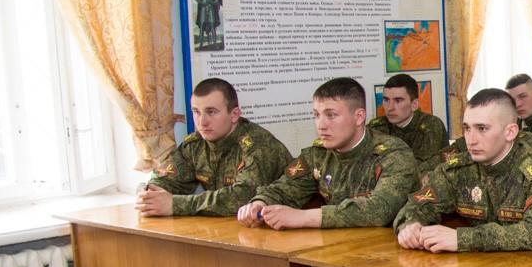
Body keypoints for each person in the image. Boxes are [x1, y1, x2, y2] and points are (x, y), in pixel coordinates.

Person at [393, 89, 532, 253]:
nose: (471, 140)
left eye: (482, 129)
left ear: (510, 132)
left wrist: (462, 239)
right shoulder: (457, 170)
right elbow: (416, 206)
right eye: (467, 128)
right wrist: (410, 225)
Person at [237, 78, 417, 229]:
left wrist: (303, 217)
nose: (321, 125)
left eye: (331, 115)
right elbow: (285, 188)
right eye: (317, 115)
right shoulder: (318, 154)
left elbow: (380, 209)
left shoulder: (393, 154)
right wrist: (260, 203)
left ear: (359, 117)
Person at [138, 78, 291, 217]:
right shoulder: (195, 144)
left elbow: (242, 197)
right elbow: (165, 180)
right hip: (228, 225)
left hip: (277, 225)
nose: (202, 122)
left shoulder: (258, 147)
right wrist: (148, 194)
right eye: (196, 112)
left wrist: (174, 205)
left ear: (234, 115)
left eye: (211, 112)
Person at [368, 73, 448, 175]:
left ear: (414, 104)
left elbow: (421, 170)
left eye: (398, 100)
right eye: (386, 100)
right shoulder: (376, 127)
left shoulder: (431, 126)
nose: (390, 108)